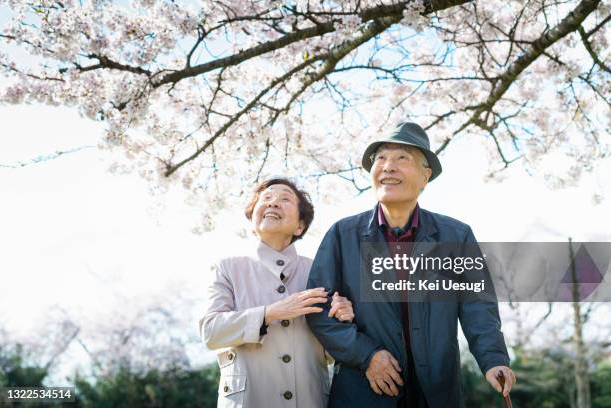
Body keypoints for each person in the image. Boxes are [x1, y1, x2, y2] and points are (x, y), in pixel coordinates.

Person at [306, 122, 516, 407]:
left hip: (437, 393)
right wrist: (367, 355)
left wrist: (493, 360)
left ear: (425, 176)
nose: (388, 167)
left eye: (402, 158)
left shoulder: (456, 235)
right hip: (364, 392)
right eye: (380, 158)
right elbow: (318, 308)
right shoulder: (342, 235)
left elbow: (477, 305)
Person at [200, 178, 354, 408]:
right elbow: (211, 332)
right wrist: (269, 313)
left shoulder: (321, 271)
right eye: (266, 198)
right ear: (253, 219)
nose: (273, 203)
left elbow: (333, 352)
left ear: (300, 226)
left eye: (285, 199)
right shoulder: (228, 267)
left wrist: (346, 320)